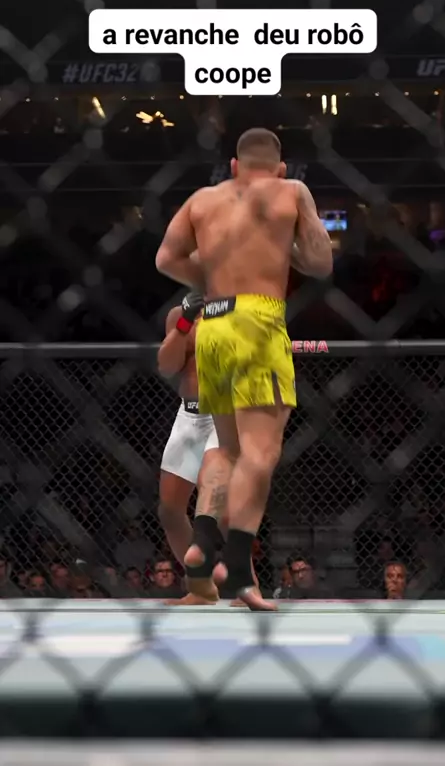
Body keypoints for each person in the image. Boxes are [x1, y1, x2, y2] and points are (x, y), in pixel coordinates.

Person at [155, 127, 332, 611]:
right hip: (258, 319)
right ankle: (236, 565)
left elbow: (166, 258)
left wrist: (213, 277)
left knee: (228, 449)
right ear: (280, 168)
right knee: (262, 451)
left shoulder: (202, 200)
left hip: (213, 324)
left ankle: (202, 541)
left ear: (233, 167)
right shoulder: (292, 190)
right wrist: (283, 246)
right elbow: (321, 263)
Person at [158, 292, 260, 605]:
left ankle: (248, 586)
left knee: (225, 511)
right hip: (188, 415)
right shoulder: (179, 314)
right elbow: (167, 367)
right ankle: (200, 587)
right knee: (170, 510)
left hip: (226, 414)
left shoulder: (242, 311)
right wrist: (185, 323)